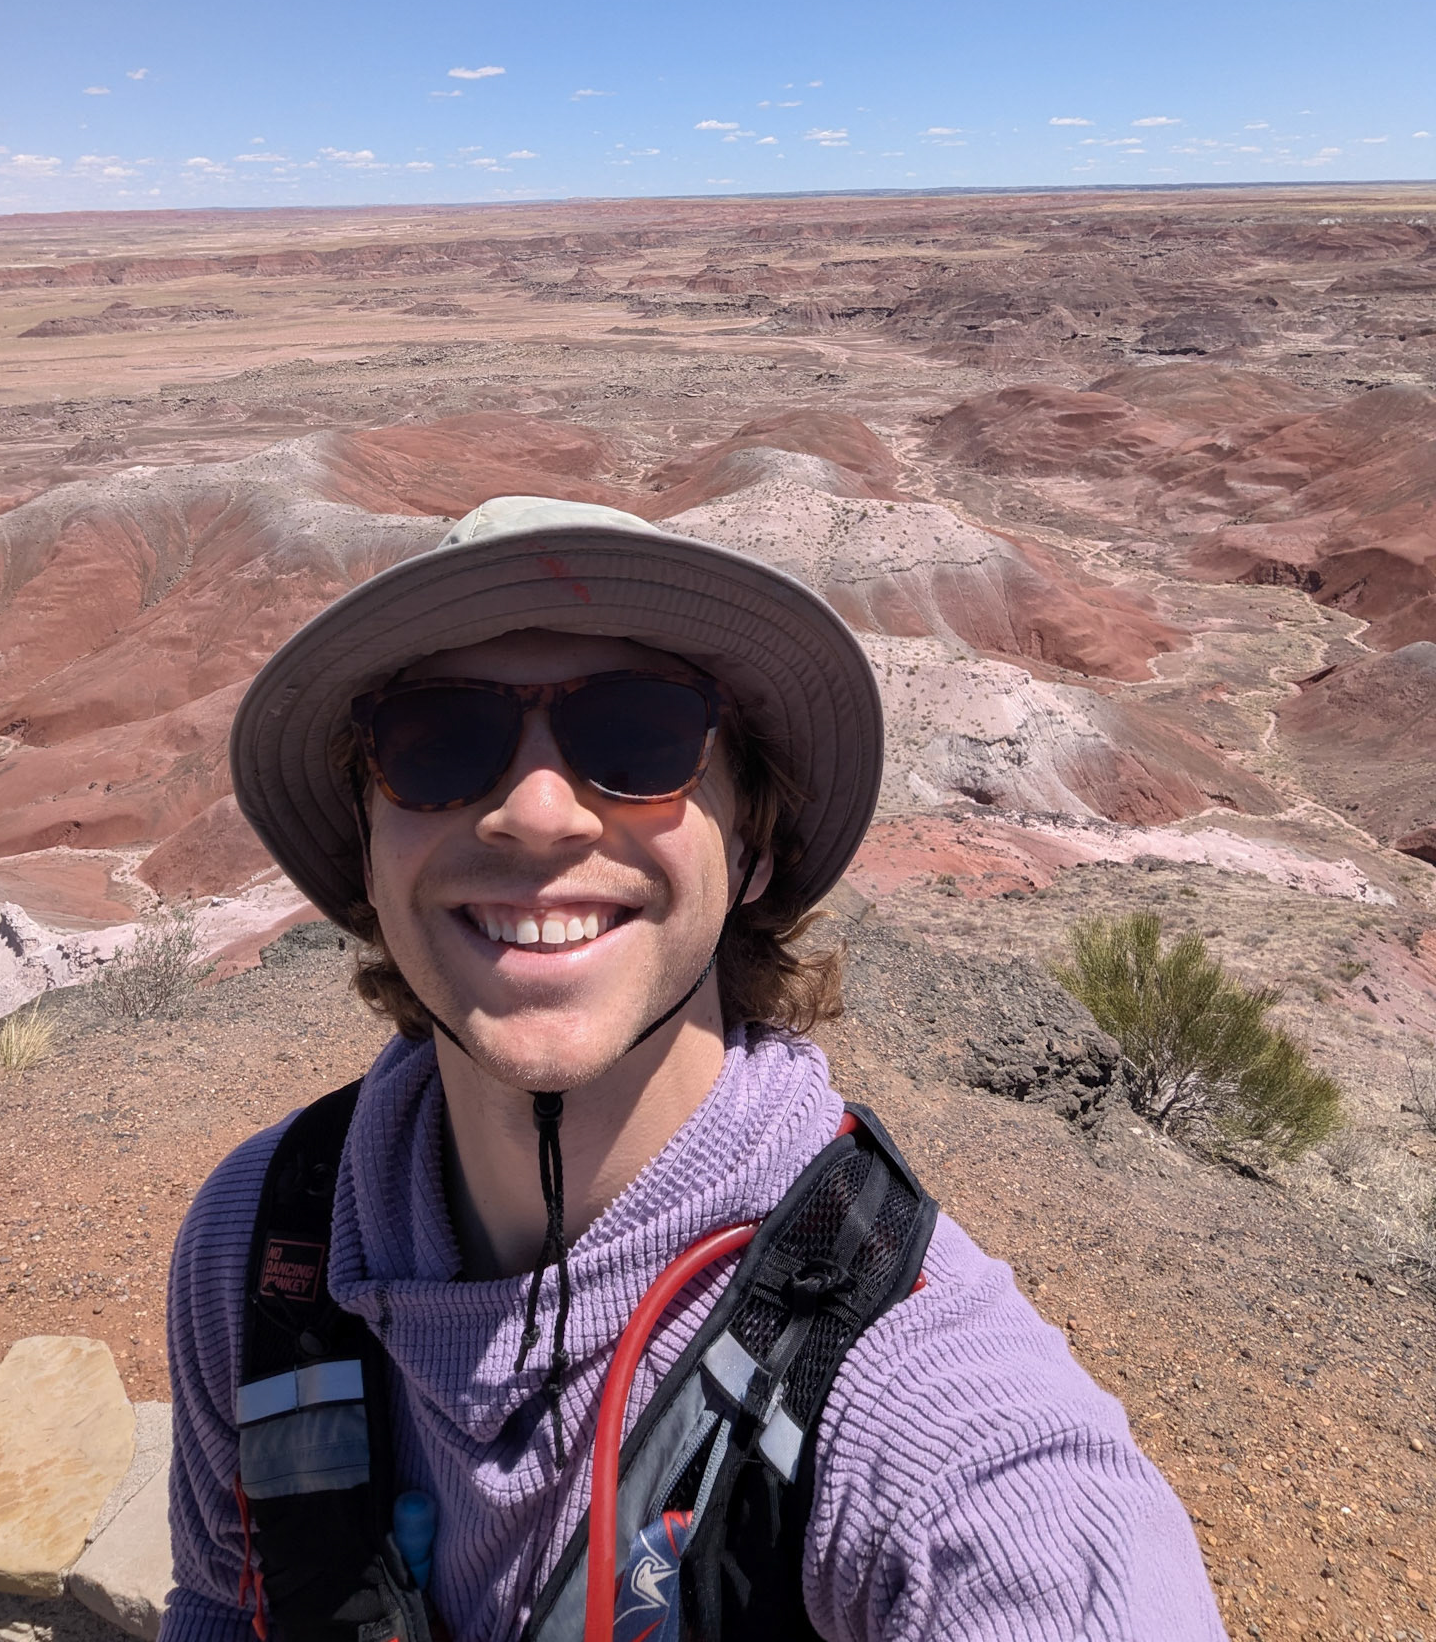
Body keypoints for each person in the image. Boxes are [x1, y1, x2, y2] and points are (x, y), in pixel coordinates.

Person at [160, 495, 1224, 1642]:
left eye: (640, 735)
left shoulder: (905, 1387)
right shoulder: (266, 1241)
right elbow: (228, 1602)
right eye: (436, 740)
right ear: (367, 848)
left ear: (755, 842)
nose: (535, 812)